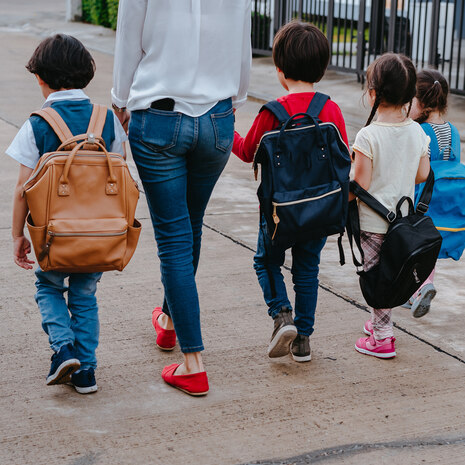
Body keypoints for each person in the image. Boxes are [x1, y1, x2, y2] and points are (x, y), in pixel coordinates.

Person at [111, 0, 251, 396]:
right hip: (218, 119)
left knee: (174, 239)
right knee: (190, 225)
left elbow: (128, 42)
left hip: (159, 118)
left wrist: (121, 100)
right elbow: (243, 51)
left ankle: (193, 362)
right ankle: (170, 323)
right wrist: (232, 103)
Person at [6, 34, 127, 394]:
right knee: (85, 297)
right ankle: (86, 371)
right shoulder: (108, 121)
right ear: (86, 74)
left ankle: (62, 348)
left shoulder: (37, 124)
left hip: (53, 236)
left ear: (41, 79)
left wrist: (17, 235)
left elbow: (22, 190)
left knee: (48, 288)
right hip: (99, 235)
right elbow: (120, 173)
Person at [233, 21, 349, 363]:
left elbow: (246, 151)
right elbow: (344, 156)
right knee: (307, 270)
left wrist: (228, 130)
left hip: (277, 214)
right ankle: (304, 341)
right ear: (323, 68)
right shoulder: (330, 109)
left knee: (266, 261)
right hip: (319, 211)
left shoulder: (272, 113)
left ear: (279, 69)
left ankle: (282, 315)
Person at [351, 53, 430, 358]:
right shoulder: (417, 132)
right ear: (411, 96)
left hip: (373, 223)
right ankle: (378, 322)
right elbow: (423, 173)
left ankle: (383, 336)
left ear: (372, 93)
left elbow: (360, 184)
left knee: (378, 277)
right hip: (405, 223)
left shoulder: (368, 136)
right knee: (391, 273)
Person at [403, 69, 462, 317]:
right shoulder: (455, 132)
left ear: (422, 103)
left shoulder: (419, 132)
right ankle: (422, 287)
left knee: (410, 246)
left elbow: (413, 169)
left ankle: (420, 286)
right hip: (445, 205)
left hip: (421, 201)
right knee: (431, 247)